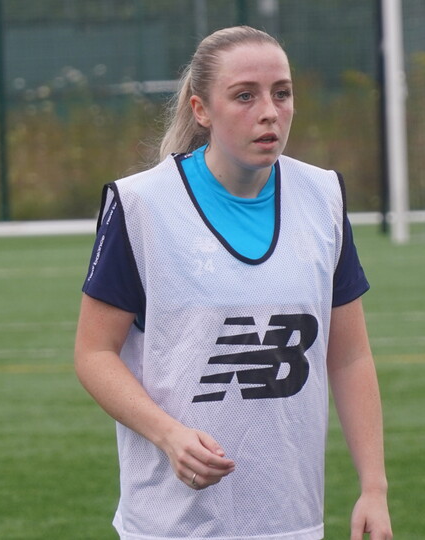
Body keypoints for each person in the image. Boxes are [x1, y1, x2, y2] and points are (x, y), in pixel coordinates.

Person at [73, 26, 392, 540]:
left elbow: (350, 355)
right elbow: (93, 354)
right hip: (173, 524)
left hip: (291, 521)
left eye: (281, 93)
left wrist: (373, 489)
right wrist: (169, 436)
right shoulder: (143, 206)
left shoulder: (322, 197)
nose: (269, 111)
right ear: (201, 109)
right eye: (245, 95)